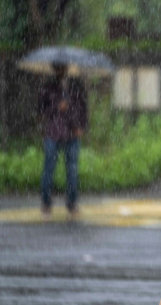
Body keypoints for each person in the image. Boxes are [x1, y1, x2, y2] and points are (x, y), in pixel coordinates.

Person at [38, 63, 87, 220]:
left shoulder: (76, 86)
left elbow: (83, 107)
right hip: (53, 133)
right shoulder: (48, 87)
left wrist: (82, 126)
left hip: (72, 133)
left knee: (72, 170)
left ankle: (72, 204)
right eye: (58, 67)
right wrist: (57, 106)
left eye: (63, 67)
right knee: (49, 169)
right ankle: (46, 204)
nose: (61, 70)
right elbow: (40, 110)